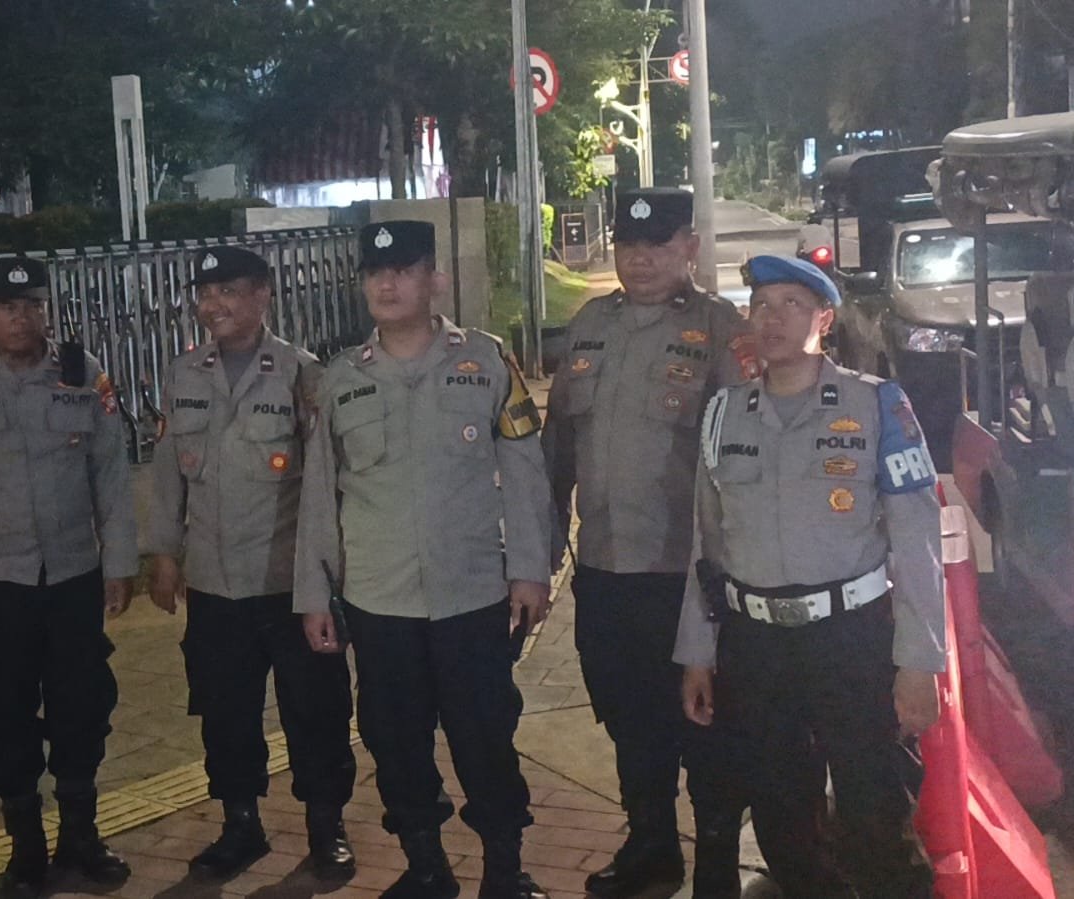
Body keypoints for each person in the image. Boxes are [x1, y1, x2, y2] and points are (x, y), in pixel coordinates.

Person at [296, 221, 553, 899]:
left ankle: (504, 868)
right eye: (375, 273)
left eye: (404, 271)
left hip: (471, 594)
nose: (387, 284)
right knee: (394, 741)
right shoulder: (340, 379)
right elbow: (319, 495)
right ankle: (426, 867)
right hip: (378, 602)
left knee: (485, 737)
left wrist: (530, 569)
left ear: (433, 279)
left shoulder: (486, 361)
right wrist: (313, 595)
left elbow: (524, 473)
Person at [676, 255, 945, 898]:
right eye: (761, 305)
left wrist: (919, 663)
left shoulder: (876, 404)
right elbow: (706, 545)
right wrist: (697, 653)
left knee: (876, 811)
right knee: (782, 819)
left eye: (791, 305)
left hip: (850, 639)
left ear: (824, 319)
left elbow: (917, 541)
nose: (771, 319)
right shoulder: (723, 414)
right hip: (756, 646)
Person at [542, 188, 759, 897]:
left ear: (688, 247)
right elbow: (556, 447)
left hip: (688, 576)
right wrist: (544, 546)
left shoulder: (721, 330)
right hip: (606, 568)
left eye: (658, 245)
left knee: (708, 724)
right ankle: (651, 846)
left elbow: (748, 455)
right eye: (628, 245)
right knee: (629, 719)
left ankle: (717, 864)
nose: (640, 259)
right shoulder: (589, 324)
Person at [0, 257, 138, 898]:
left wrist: (119, 562)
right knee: (2, 710)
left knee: (82, 705)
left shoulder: (81, 373)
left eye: (33, 305)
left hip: (72, 576)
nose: (21, 317)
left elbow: (111, 474)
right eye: (7, 307)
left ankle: (81, 837)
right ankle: (26, 845)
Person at [145, 245, 358, 880]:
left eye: (229, 291)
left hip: (288, 584)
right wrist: (164, 552)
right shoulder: (184, 373)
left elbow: (323, 487)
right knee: (225, 712)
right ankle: (241, 824)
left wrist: (324, 580)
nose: (214, 305)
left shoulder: (302, 374)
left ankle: (326, 826)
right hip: (214, 584)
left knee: (315, 712)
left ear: (263, 294)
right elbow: (168, 474)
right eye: (206, 294)